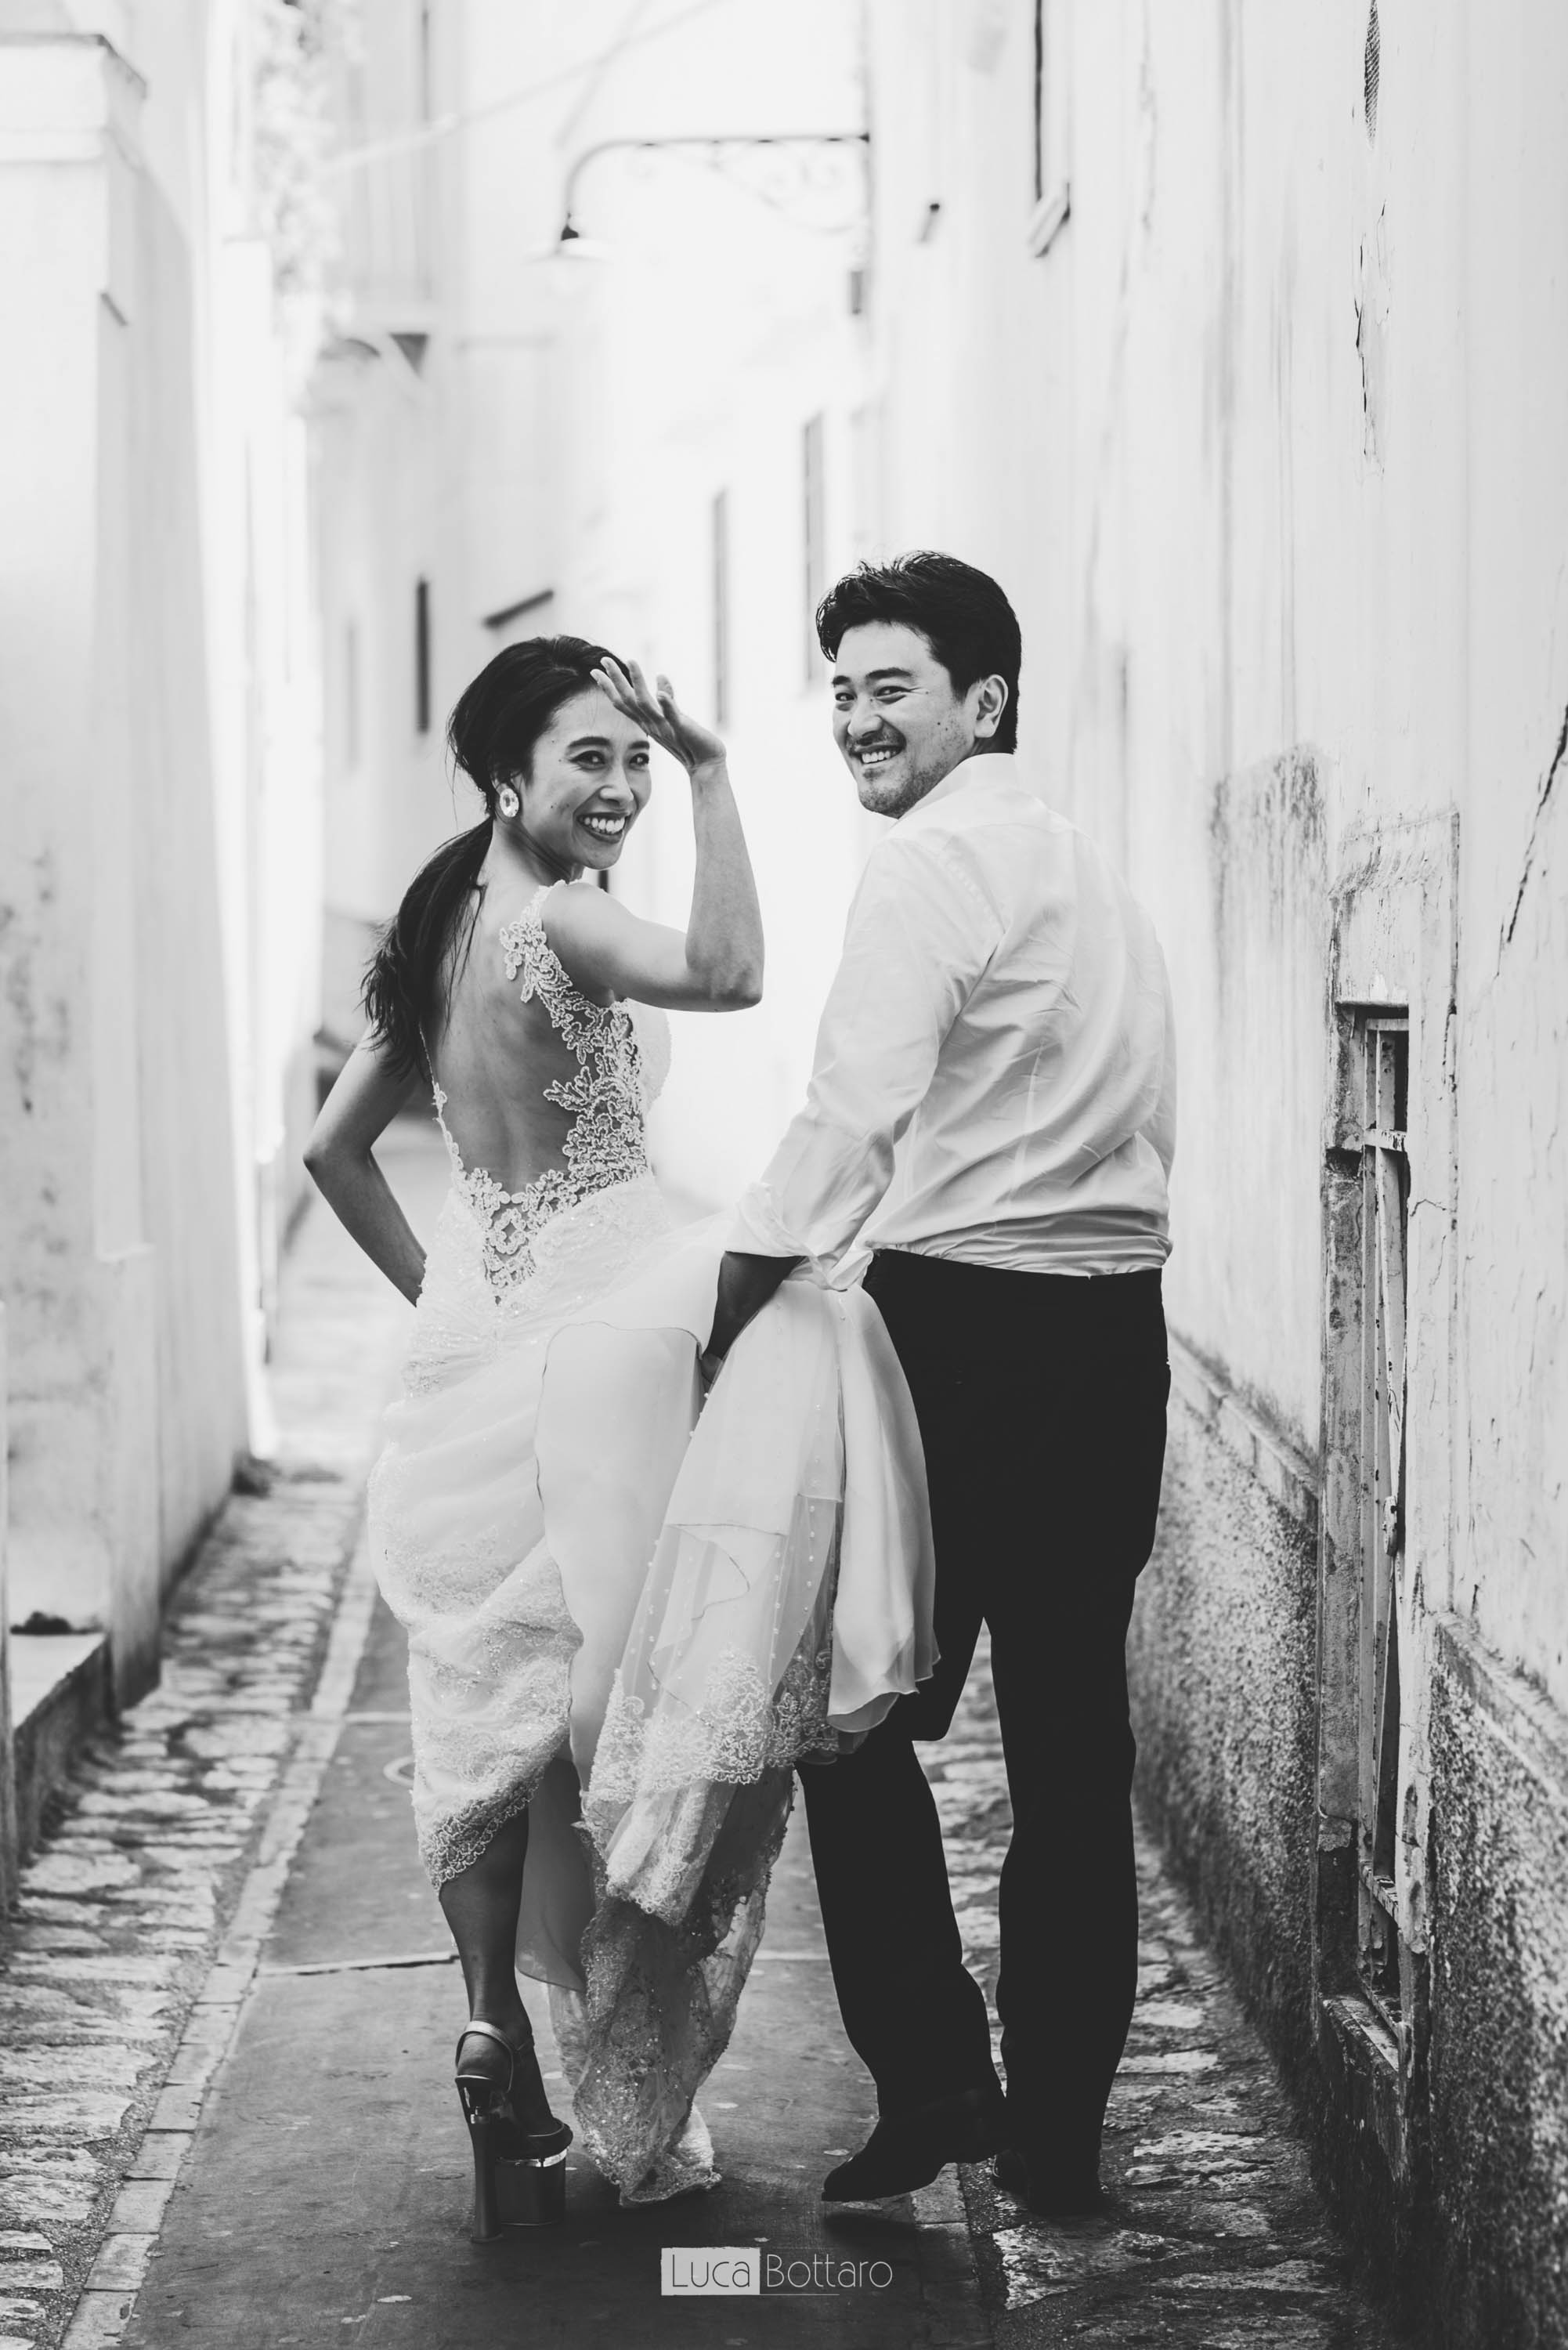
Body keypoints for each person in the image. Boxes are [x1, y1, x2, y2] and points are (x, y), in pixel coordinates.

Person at [304, 636, 934, 2231]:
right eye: (590, 756)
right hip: (604, 1343)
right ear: (504, 776)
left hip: (476, 1352)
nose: (622, 785)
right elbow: (728, 974)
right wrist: (718, 772)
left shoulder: (438, 925)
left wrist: (449, 1295)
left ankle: (487, 2026)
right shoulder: (561, 920)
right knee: (627, 1709)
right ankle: (619, 2039)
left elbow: (332, 1152)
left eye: (639, 759)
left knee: (488, 1727)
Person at [706, 552, 1176, 2218]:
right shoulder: (1090, 874)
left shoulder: (928, 864)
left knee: (847, 1720)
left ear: (983, 700)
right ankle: (1057, 2134)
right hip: (1114, 1339)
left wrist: (729, 1299)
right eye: (839, 690)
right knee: (1070, 1753)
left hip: (958, 1335)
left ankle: (932, 2079)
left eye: (888, 686)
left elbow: (850, 1113)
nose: (854, 718)